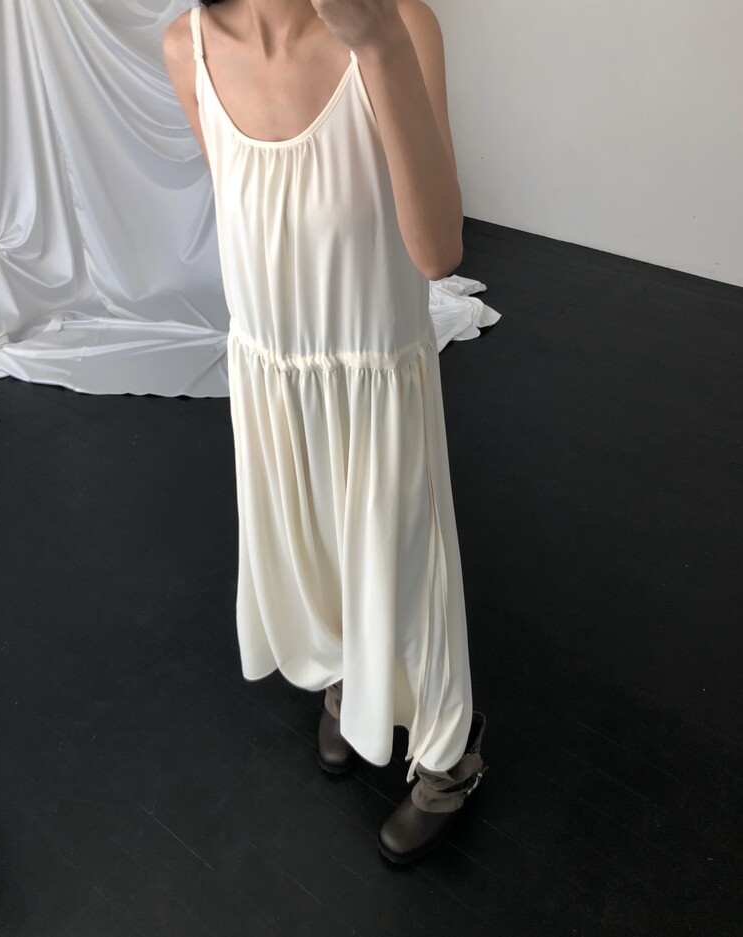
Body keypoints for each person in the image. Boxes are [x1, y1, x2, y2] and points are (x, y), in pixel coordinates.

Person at [163, 0, 488, 865]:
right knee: (308, 547)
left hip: (374, 369)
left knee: (409, 567)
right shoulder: (187, 46)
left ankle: (449, 758)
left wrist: (375, 43)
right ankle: (348, 681)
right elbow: (254, 212)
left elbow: (438, 251)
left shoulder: (401, 24)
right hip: (271, 373)